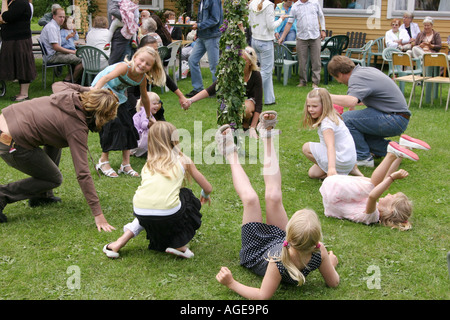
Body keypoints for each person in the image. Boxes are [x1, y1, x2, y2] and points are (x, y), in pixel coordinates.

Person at [215, 112, 339, 299]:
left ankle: (230, 153)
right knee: (273, 196)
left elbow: (262, 296)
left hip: (255, 249)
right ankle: (267, 135)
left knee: (250, 199)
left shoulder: (279, 261)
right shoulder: (318, 251)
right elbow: (334, 282)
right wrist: (330, 263)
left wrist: (231, 283)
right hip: (278, 243)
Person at [0, 81, 119, 232]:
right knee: (54, 178)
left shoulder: (67, 95)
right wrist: (98, 214)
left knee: (56, 141)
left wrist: (87, 89)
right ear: (100, 115)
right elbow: (83, 173)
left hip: (7, 120)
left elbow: (57, 83)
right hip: (10, 143)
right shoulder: (76, 127)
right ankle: (2, 195)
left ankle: (42, 195)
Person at [102, 121, 213, 259]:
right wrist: (205, 194)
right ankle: (178, 245)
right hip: (168, 211)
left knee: (150, 210)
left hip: (140, 209)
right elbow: (207, 187)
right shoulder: (182, 159)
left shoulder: (149, 163)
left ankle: (118, 243)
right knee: (186, 195)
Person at [320, 136, 430, 230]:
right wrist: (391, 176)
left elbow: (373, 195)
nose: (389, 194)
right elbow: (383, 184)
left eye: (392, 197)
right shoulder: (377, 210)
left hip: (333, 194)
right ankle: (402, 150)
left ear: (391, 209)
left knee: (372, 187)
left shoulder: (372, 217)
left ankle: (391, 154)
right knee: (380, 185)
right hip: (335, 191)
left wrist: (392, 178)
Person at [91, 46, 166, 178]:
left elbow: (144, 98)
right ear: (135, 57)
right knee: (111, 124)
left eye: (148, 64)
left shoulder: (142, 78)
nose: (143, 65)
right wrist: (95, 92)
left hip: (117, 95)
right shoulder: (124, 67)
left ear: (151, 67)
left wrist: (149, 116)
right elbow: (105, 78)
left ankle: (125, 164)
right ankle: (103, 161)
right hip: (102, 90)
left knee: (129, 126)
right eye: (141, 60)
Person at [327, 55, 411, 168]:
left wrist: (326, 96)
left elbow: (352, 101)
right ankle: (397, 148)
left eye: (337, 78)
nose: (339, 81)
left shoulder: (356, 78)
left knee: (346, 118)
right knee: (356, 129)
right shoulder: (365, 71)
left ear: (340, 74)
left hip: (393, 118)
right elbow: (363, 99)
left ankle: (363, 158)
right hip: (398, 117)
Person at [183, 46, 263, 138]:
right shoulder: (230, 73)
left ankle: (247, 125)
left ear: (249, 62)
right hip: (234, 103)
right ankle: (234, 126)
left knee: (245, 109)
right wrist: (190, 100)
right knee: (224, 107)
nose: (239, 62)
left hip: (249, 105)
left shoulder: (256, 75)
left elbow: (259, 104)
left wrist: (253, 127)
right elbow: (210, 90)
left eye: (243, 60)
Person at [301, 88, 359, 179]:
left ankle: (336, 172)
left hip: (342, 158)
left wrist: (331, 168)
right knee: (313, 173)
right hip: (348, 158)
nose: (310, 109)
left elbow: (330, 146)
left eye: (315, 106)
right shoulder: (332, 116)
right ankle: (348, 170)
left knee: (306, 147)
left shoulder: (327, 124)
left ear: (325, 105)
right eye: (309, 106)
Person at [278, 0, 326, 89]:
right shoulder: (295, 6)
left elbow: (321, 16)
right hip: (301, 37)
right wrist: (282, 37)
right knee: (302, 61)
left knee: (316, 60)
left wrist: (323, 30)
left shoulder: (315, 3)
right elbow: (289, 23)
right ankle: (302, 81)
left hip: (315, 36)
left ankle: (315, 82)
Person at [248, 0, 287, 105]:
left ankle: (270, 100)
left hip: (255, 40)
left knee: (267, 71)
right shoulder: (269, 5)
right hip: (265, 42)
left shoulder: (252, 3)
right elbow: (271, 26)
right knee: (266, 71)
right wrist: (281, 19)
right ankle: (250, 90)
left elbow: (249, 22)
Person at [185, 0, 223, 98]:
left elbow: (215, 19)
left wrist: (199, 25)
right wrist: (198, 31)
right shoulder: (202, 1)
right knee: (192, 60)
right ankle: (198, 89)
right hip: (202, 36)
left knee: (214, 65)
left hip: (212, 37)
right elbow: (202, 18)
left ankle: (216, 90)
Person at [0, 0, 36, 102]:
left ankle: (24, 94)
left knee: (23, 65)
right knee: (17, 65)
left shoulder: (21, 3)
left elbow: (5, 17)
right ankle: (22, 93)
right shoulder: (12, 3)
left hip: (20, 40)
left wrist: (3, 2)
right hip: (12, 40)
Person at [39, 7, 83, 83]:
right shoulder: (52, 28)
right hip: (52, 56)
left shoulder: (54, 26)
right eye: (60, 17)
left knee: (77, 56)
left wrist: (71, 49)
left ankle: (68, 78)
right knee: (82, 59)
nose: (62, 19)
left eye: (63, 17)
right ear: (54, 16)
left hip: (53, 53)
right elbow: (56, 47)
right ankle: (74, 81)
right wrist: (72, 52)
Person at [130, 91, 162, 157]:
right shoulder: (145, 112)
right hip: (141, 141)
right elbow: (143, 125)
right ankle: (144, 151)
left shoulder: (143, 112)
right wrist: (150, 124)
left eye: (157, 103)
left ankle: (135, 151)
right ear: (144, 104)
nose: (157, 105)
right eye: (154, 103)